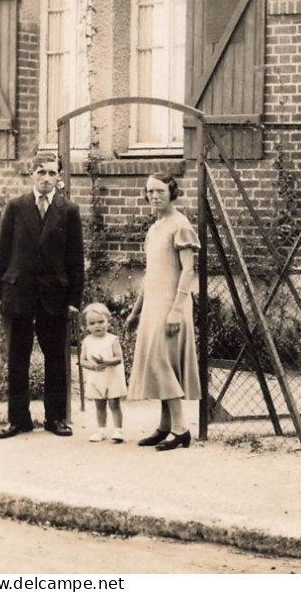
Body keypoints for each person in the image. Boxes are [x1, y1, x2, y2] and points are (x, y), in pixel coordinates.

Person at [0, 153, 85, 439]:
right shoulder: (16, 207)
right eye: (40, 172)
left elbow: (75, 259)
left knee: (55, 357)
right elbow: (1, 252)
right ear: (31, 174)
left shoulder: (68, 210)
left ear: (59, 177)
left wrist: (73, 300)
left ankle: (55, 418)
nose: (46, 178)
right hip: (18, 293)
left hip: (54, 296)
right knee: (17, 357)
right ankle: (19, 419)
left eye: (52, 173)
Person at [126, 173, 200, 450]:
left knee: (162, 363)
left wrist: (176, 310)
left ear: (171, 192)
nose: (154, 196)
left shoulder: (180, 225)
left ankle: (181, 430)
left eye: (159, 191)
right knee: (159, 364)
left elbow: (188, 270)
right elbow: (151, 274)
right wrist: (135, 312)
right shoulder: (155, 228)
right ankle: (165, 426)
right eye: (150, 192)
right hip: (153, 306)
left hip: (172, 305)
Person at [80, 302, 127, 443]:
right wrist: (93, 366)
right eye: (92, 323)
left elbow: (118, 358)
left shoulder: (112, 340)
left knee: (114, 403)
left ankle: (118, 430)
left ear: (108, 321)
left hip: (111, 377)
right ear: (86, 326)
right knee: (99, 404)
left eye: (101, 322)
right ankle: (101, 430)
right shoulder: (87, 341)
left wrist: (106, 361)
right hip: (96, 377)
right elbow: (82, 360)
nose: (97, 326)